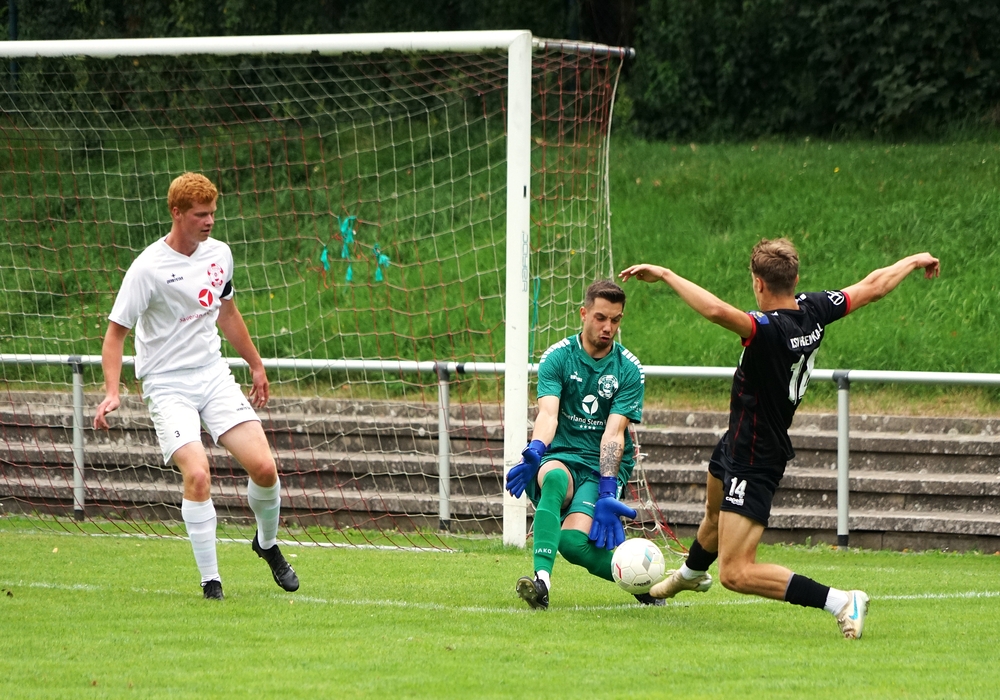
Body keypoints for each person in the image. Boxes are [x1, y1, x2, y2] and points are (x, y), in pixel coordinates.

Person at [619, 239, 939, 638]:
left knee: (735, 573)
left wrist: (666, 274)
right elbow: (872, 287)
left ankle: (842, 600)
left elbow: (717, 311)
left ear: (758, 283)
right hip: (737, 440)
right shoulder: (813, 308)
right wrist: (913, 258)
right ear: (795, 279)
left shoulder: (767, 330)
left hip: (756, 454)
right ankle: (691, 573)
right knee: (713, 514)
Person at [93, 172, 299, 600]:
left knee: (265, 469)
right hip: (167, 385)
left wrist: (256, 365)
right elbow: (115, 334)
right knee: (199, 474)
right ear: (177, 213)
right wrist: (112, 391)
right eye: (200, 214)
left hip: (213, 375)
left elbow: (227, 313)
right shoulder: (147, 268)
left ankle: (266, 544)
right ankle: (211, 582)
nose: (209, 221)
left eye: (212, 213)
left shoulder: (220, 254)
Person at [506, 279, 652, 609]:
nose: (608, 327)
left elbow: (614, 434)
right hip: (560, 454)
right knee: (555, 478)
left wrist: (607, 490)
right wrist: (535, 450)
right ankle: (541, 582)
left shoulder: (629, 369)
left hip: (601, 465)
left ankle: (644, 583)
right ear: (584, 313)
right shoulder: (558, 357)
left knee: (572, 543)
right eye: (600, 318)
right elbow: (548, 414)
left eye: (615, 319)